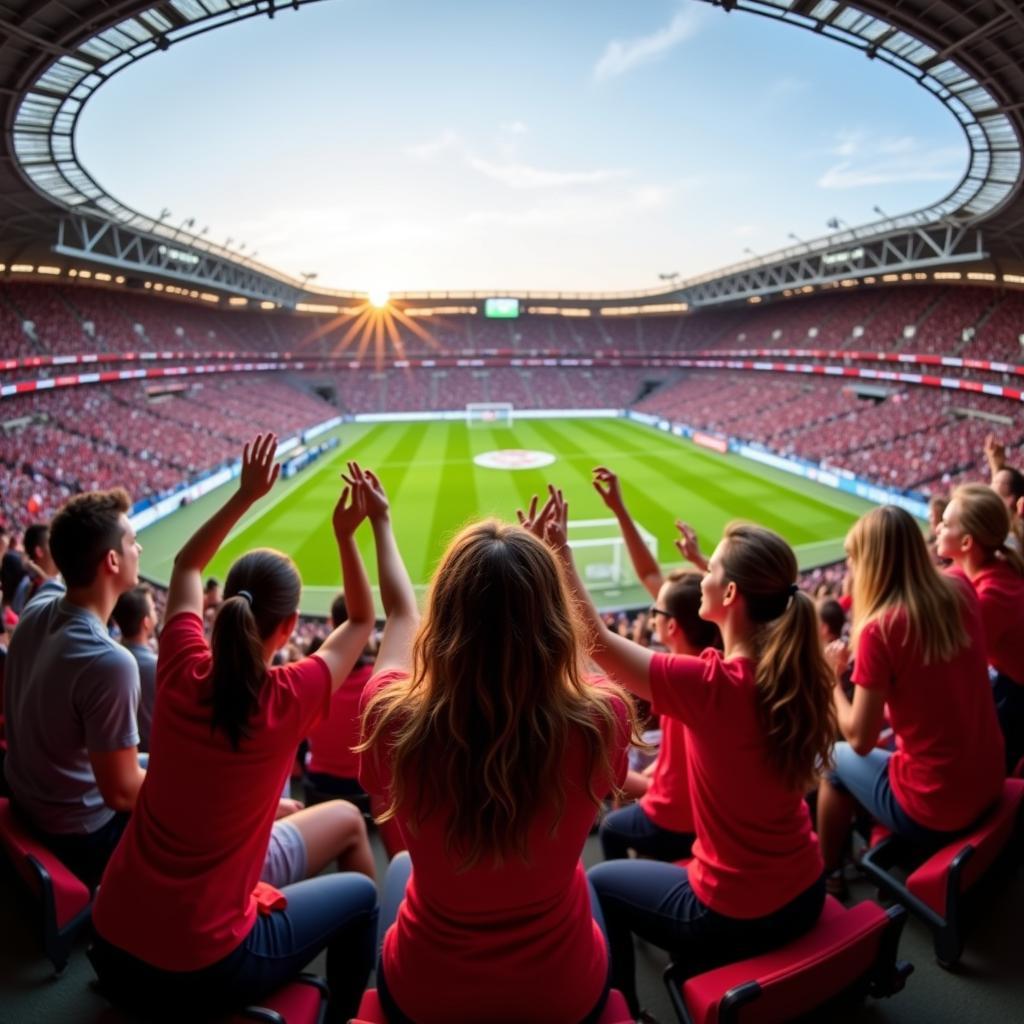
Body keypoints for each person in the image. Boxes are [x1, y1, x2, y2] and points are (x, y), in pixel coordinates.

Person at [90, 439, 386, 1022]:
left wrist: (246, 495)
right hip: (204, 964)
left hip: (111, 943)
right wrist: (353, 534)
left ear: (222, 607)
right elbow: (360, 619)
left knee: (333, 820)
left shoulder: (180, 665)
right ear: (289, 628)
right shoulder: (290, 696)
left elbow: (186, 567)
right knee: (363, 897)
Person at [357, 472, 634, 1024]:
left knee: (397, 871)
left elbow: (400, 617)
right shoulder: (604, 718)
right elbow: (584, 658)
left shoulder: (390, 717)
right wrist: (554, 562)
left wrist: (381, 523)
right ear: (554, 621)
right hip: (565, 992)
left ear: (443, 622)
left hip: (425, 991)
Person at [552, 488, 832, 1017]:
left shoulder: (714, 686)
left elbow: (596, 644)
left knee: (600, 882)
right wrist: (712, 564)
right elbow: (752, 602)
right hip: (806, 888)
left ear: (729, 595)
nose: (698, 576)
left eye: (709, 572)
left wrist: (562, 556)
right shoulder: (796, 668)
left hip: (739, 909)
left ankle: (629, 1011)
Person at [817, 505, 1005, 895]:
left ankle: (826, 876)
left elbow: (859, 739)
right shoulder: (959, 585)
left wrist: (831, 681)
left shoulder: (879, 629)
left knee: (833, 762)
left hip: (937, 804)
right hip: (990, 774)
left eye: (853, 558)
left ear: (869, 563)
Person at [3, 489, 143, 888]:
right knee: (189, 800)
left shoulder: (36, 606)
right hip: (79, 835)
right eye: (133, 542)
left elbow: (50, 582)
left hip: (27, 797)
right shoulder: (111, 663)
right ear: (111, 561)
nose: (140, 548)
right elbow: (122, 793)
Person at [592, 466, 720, 863]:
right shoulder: (718, 650)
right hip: (697, 799)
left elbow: (595, 639)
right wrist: (619, 509)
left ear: (671, 626)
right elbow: (651, 575)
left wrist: (558, 556)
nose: (650, 609)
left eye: (656, 608)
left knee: (612, 829)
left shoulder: (682, 679)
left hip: (684, 819)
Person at [936, 484, 1024, 772]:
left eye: (946, 523)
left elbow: (951, 665)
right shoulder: (988, 564)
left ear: (966, 543)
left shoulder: (990, 599)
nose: (936, 527)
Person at [303, 592, 377, 806]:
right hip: (361, 790)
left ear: (332, 622)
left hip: (317, 786)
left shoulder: (309, 676)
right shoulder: (378, 680)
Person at [112, 584, 159, 754]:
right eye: (153, 609)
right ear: (146, 623)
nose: (156, 612)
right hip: (148, 757)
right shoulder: (157, 667)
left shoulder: (109, 658)